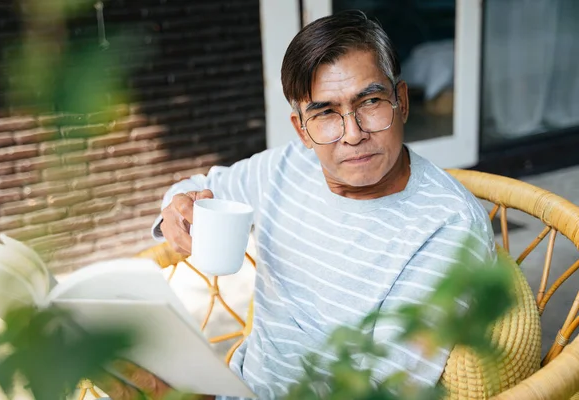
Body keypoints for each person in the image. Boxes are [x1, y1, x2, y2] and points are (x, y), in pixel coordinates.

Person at [152, 10, 496, 400]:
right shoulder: (285, 166)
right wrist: (177, 209)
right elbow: (198, 187)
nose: (353, 134)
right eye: (326, 113)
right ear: (302, 129)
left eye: (370, 101)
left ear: (401, 101)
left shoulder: (448, 225)